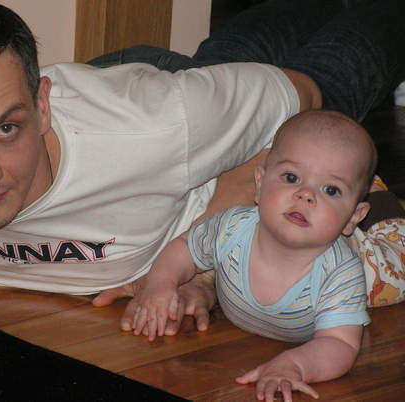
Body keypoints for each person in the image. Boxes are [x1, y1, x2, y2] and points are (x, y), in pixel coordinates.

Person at [0, 0, 403, 332]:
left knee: (333, 72)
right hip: (160, 104)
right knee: (220, 62)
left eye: (7, 129)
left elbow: (299, 101)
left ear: (41, 107)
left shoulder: (161, 127)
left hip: (157, 114)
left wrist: (201, 268)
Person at [130, 110, 375, 401]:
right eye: (291, 177)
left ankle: (384, 206)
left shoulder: (341, 273)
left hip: (371, 262)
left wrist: (295, 364)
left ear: (352, 217)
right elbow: (185, 249)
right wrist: (161, 282)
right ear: (259, 184)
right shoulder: (232, 229)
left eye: (331, 190)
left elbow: (340, 343)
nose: (306, 195)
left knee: (395, 267)